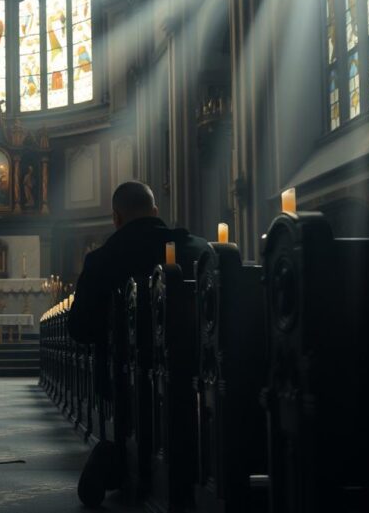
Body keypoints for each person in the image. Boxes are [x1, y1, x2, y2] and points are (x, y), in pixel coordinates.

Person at [69, 181, 209, 508]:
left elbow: (79, 329)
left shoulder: (101, 261)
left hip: (124, 388)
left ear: (116, 218)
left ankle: (122, 461)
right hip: (200, 380)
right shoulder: (199, 250)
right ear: (156, 212)